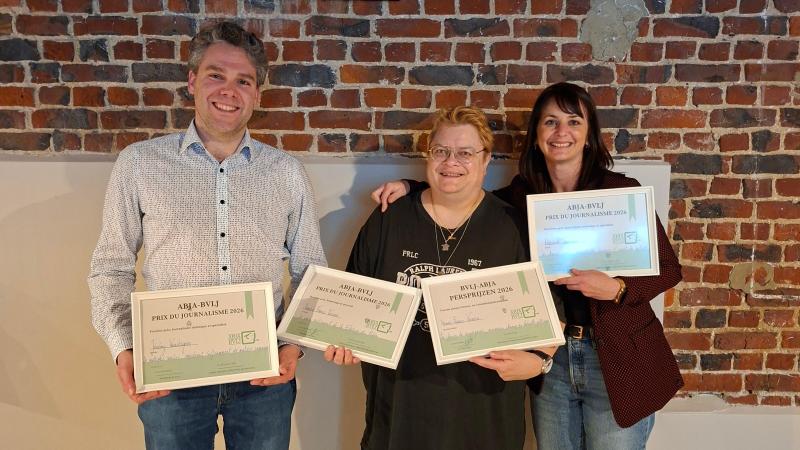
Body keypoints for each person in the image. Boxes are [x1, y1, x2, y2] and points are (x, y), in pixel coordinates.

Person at [371, 82, 683, 450]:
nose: (561, 132)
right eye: (550, 122)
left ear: (588, 136)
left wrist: (617, 289)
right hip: (550, 355)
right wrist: (412, 186)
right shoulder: (521, 195)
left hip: (616, 355)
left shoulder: (620, 190)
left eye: (573, 122)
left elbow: (668, 268)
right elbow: (464, 187)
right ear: (536, 136)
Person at [88, 21, 326, 449]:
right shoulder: (139, 164)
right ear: (193, 81)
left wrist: (293, 346)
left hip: (264, 378)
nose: (228, 91)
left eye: (243, 81)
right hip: (170, 377)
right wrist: (123, 346)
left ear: (257, 94)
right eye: (216, 75)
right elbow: (110, 267)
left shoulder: (286, 173)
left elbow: (312, 270)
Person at [326, 106, 559, 450]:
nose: (451, 162)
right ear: (428, 155)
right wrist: (342, 339)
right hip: (399, 413)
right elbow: (348, 305)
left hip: (485, 417)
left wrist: (539, 362)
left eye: (465, 153)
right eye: (441, 151)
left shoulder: (513, 227)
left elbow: (549, 320)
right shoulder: (389, 218)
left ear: (486, 160)